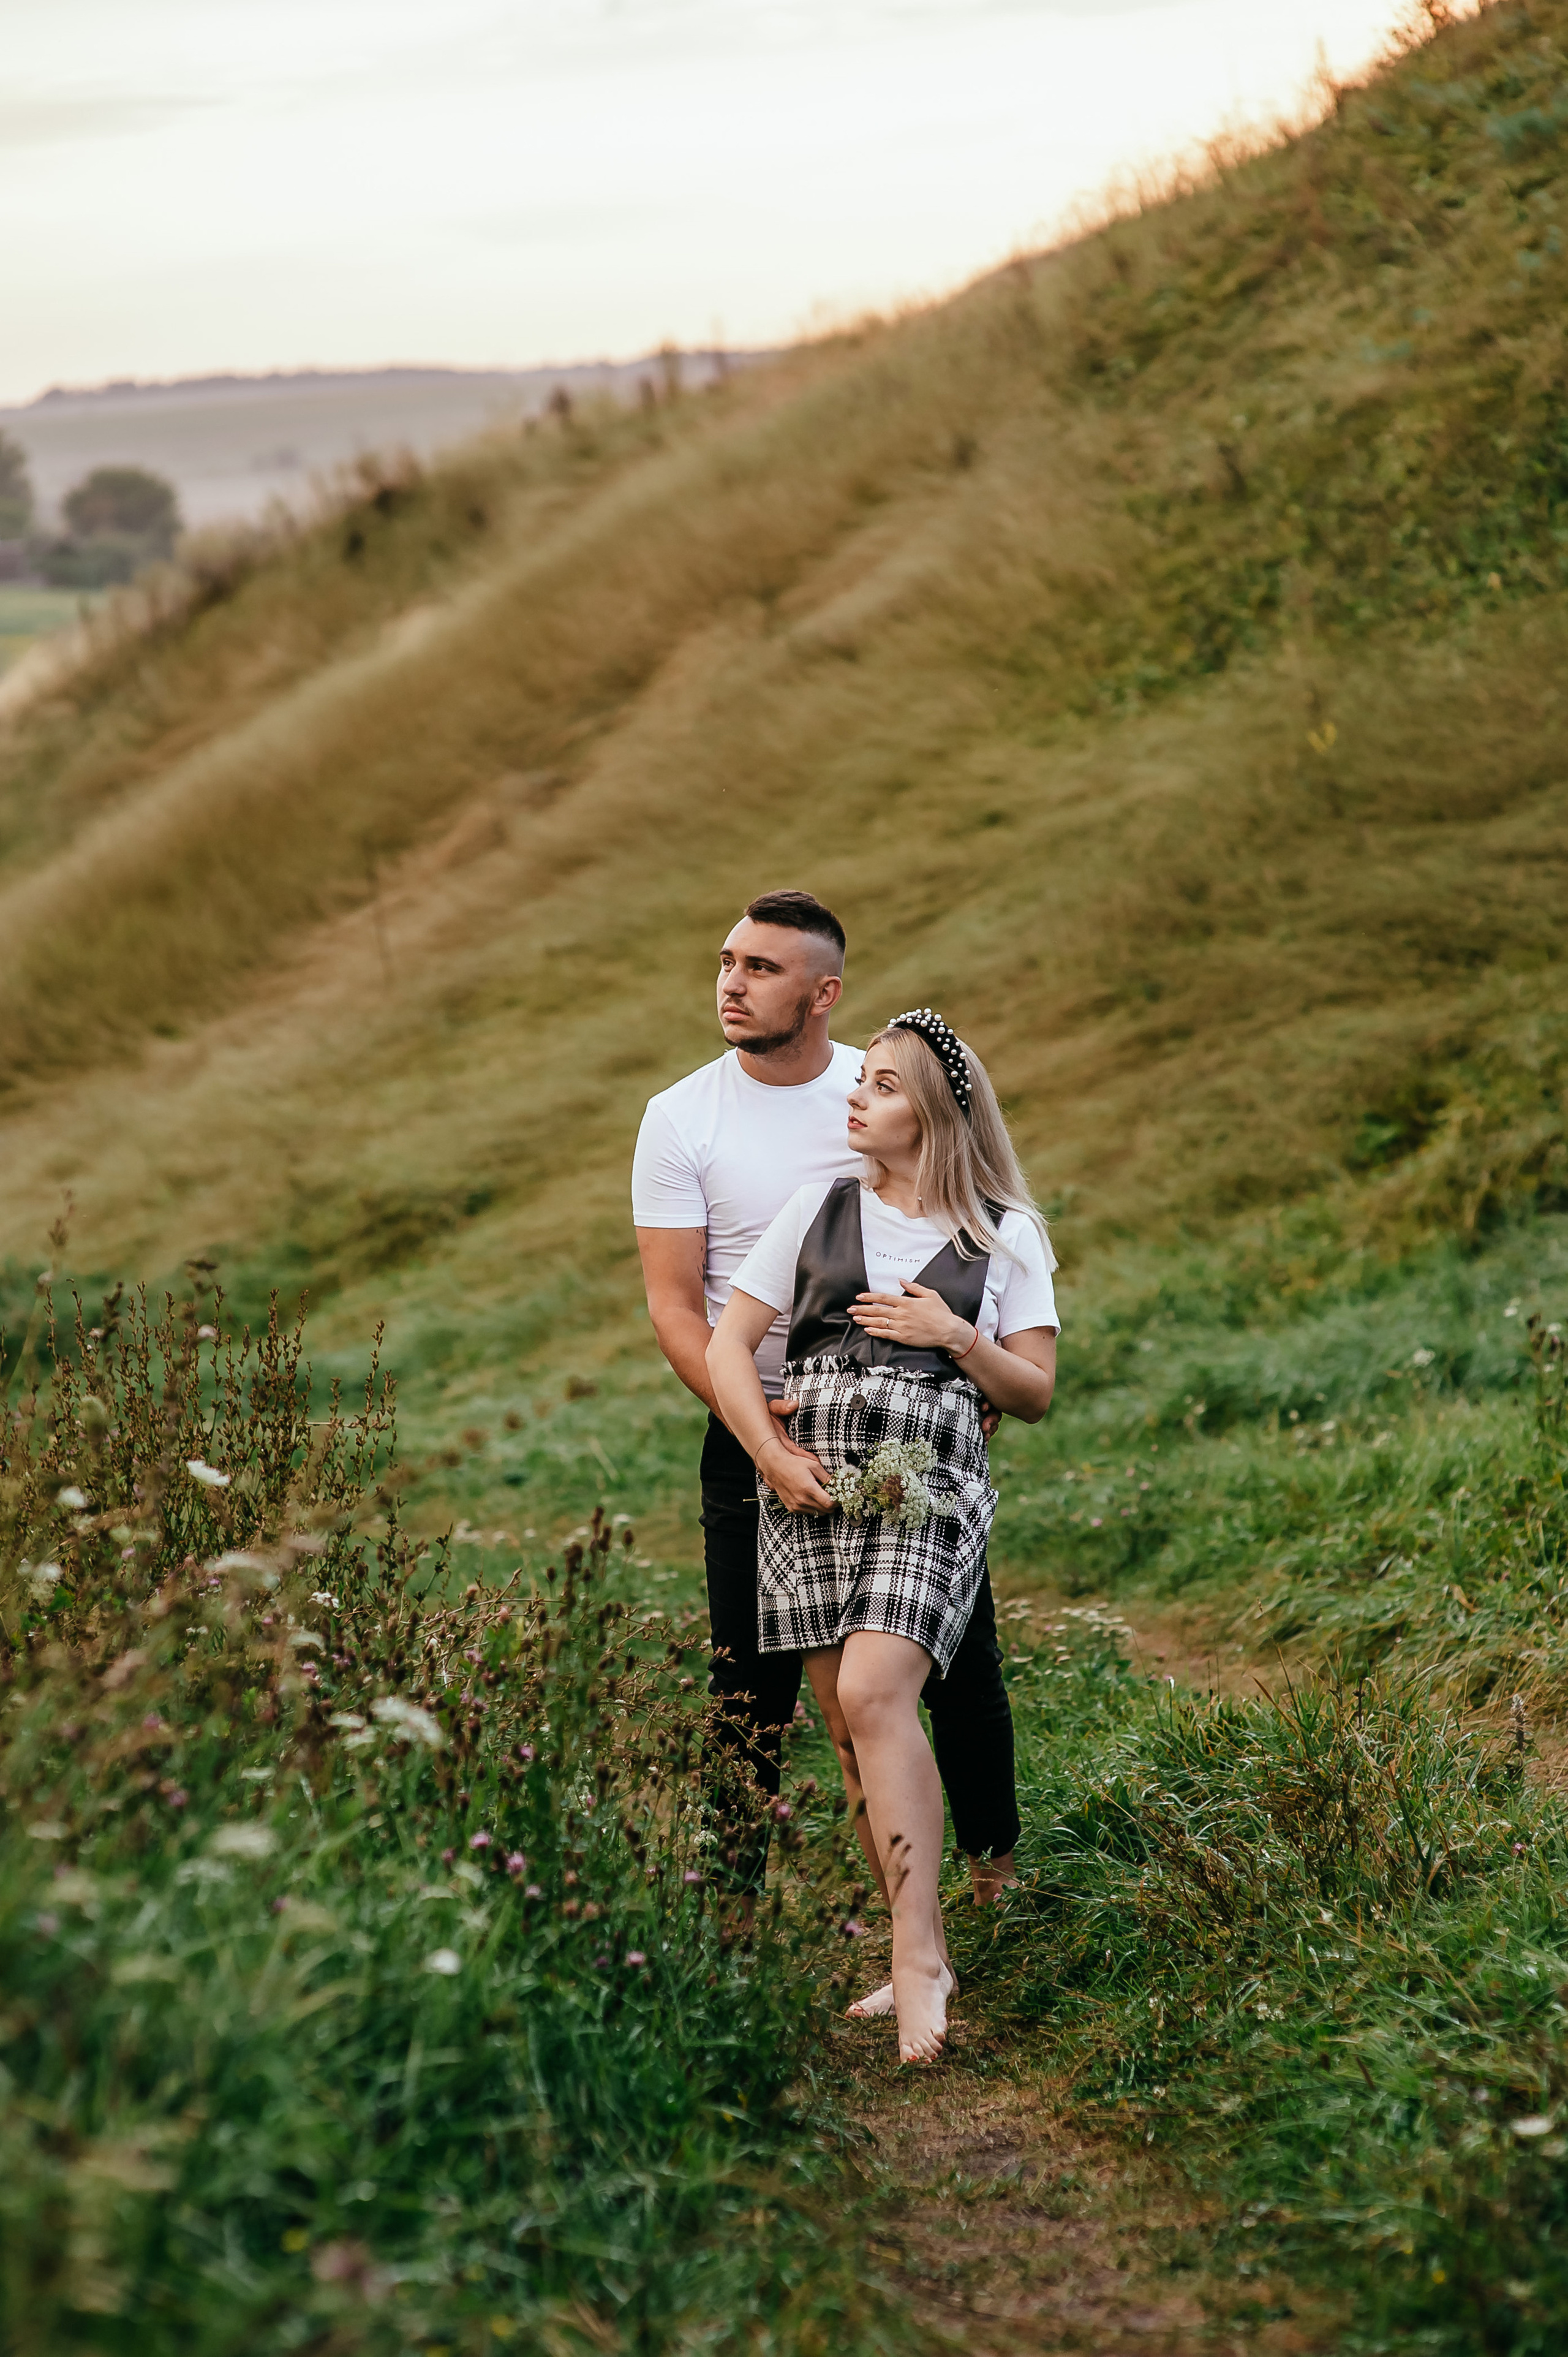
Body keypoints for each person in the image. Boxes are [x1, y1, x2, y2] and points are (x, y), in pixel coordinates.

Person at [631, 891, 1028, 1938]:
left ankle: (997, 1884)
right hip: (751, 1419)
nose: (730, 980)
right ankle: (730, 1918)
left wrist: (965, 1370)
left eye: (761, 967)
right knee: (746, 1683)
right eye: (727, 959)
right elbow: (678, 1308)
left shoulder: (880, 1084)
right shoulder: (682, 1117)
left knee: (958, 1665)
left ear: (823, 993)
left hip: (908, 1424)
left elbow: (966, 1213)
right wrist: (759, 1428)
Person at [706, 1012, 1057, 2060]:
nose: (857, 1096)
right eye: (863, 1081)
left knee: (875, 1692)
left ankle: (913, 1963)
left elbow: (1034, 1392)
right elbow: (731, 1345)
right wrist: (770, 1455)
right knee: (850, 1728)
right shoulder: (817, 1209)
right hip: (808, 1484)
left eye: (885, 1086)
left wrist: (957, 1337)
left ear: (936, 1112)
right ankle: (928, 1944)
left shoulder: (1004, 1233)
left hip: (930, 1483)